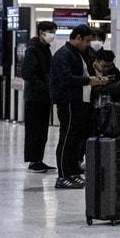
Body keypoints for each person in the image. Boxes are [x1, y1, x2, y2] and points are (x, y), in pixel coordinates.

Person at [50, 24, 108, 189]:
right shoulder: (63, 55)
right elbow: (66, 78)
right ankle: (62, 175)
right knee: (67, 137)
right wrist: (88, 80)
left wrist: (95, 79)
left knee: (76, 138)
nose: (89, 44)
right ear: (78, 38)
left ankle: (72, 169)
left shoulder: (79, 54)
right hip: (68, 101)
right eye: (87, 41)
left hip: (80, 101)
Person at [20, 20, 57, 173]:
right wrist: (43, 87)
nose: (52, 35)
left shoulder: (44, 48)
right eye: (50, 31)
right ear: (41, 32)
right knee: (34, 130)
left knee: (42, 130)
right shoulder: (33, 49)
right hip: (35, 97)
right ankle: (33, 161)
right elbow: (27, 73)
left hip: (44, 96)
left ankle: (38, 159)